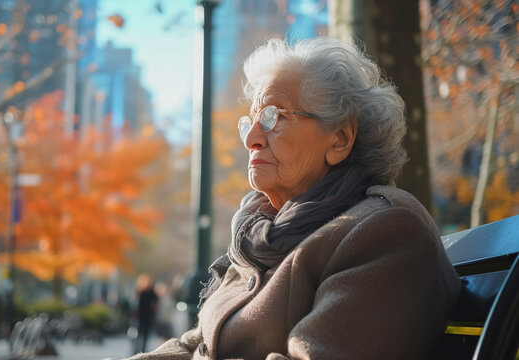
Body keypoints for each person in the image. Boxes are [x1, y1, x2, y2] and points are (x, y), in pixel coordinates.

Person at [126, 37, 461, 360]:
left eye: (275, 116)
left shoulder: (386, 230)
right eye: (252, 121)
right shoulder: (261, 236)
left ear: (340, 139)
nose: (252, 139)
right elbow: (196, 346)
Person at [134, 274, 158, 354]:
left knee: (145, 336)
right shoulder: (140, 292)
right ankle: (136, 350)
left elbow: (156, 304)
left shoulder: (152, 293)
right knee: (138, 335)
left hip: (148, 317)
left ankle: (142, 350)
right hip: (140, 317)